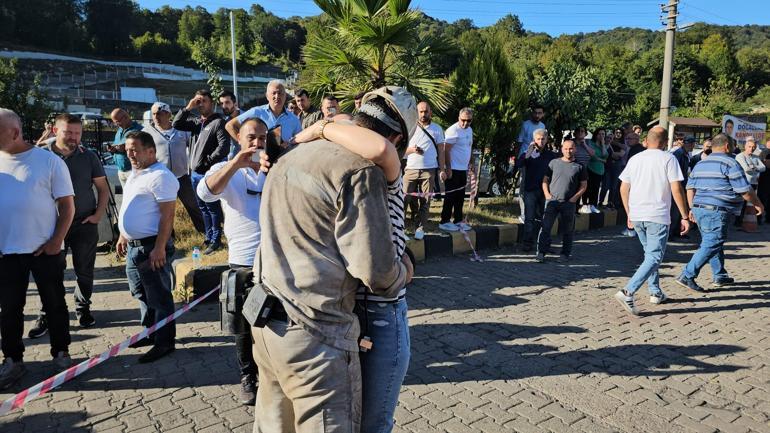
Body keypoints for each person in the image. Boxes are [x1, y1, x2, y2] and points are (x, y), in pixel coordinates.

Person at [249, 87, 415, 433]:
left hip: (267, 321)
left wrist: (320, 127)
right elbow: (376, 271)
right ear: (398, 138)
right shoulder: (359, 170)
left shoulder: (293, 153)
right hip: (315, 335)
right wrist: (405, 271)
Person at [0, 108, 75, 389]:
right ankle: (13, 360)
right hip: (6, 252)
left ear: (15, 132)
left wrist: (57, 241)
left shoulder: (48, 162)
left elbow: (67, 207)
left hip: (45, 249)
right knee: (9, 309)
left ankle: (61, 353)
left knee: (54, 304)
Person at [197, 118, 268, 406]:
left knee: (274, 324)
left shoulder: (273, 167)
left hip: (275, 262)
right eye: (252, 137)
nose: (257, 142)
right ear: (238, 137)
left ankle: (273, 374)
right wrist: (237, 163)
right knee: (243, 328)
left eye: (262, 137)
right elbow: (205, 192)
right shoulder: (225, 170)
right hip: (242, 262)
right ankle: (247, 377)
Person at [28, 113, 109, 340]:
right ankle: (46, 314)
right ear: (55, 131)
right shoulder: (39, 156)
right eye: (68, 132)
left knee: (84, 270)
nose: (74, 137)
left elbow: (102, 189)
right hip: (49, 226)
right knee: (50, 272)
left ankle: (83, 309)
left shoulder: (89, 156)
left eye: (77, 133)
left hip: (83, 223)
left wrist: (97, 216)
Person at [116, 131, 179, 363]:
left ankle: (164, 341)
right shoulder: (137, 173)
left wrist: (160, 248)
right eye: (128, 149)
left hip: (152, 246)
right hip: (134, 247)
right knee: (142, 294)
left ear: (151, 151)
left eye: (135, 149)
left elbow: (167, 216)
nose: (130, 154)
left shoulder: (161, 176)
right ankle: (150, 332)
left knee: (160, 296)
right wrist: (123, 235)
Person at [614, 126, 690, 315]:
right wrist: (685, 215)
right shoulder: (669, 158)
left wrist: (629, 213)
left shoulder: (635, 159)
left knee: (649, 255)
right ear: (665, 143)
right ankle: (628, 291)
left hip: (638, 214)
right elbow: (676, 189)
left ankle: (655, 291)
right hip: (657, 215)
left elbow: (623, 188)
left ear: (646, 141)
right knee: (654, 257)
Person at [676, 134, 765, 292]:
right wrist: (758, 204)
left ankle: (720, 274)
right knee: (713, 242)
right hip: (716, 210)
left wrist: (692, 208)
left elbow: (690, 188)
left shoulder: (701, 164)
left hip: (700, 208)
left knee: (712, 241)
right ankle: (687, 274)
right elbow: (744, 189)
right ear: (727, 146)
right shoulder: (731, 162)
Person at [173, 89, 230, 254]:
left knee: (212, 207)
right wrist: (188, 107)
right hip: (195, 174)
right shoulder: (197, 122)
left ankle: (216, 240)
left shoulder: (218, 122)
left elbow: (223, 147)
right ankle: (208, 237)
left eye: (204, 100)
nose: (201, 104)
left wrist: (207, 162)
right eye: (198, 101)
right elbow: (176, 124)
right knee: (202, 207)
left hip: (208, 173)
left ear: (211, 103)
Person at [143, 102, 205, 235]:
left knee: (193, 205)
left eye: (159, 113)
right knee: (163, 210)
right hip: (161, 179)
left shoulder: (181, 129)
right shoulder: (147, 132)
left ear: (169, 114)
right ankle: (168, 237)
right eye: (153, 114)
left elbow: (195, 146)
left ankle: (205, 232)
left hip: (181, 176)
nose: (156, 117)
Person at [536, 139, 588, 263]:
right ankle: (541, 253)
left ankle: (565, 254)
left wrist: (574, 199)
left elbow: (584, 185)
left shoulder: (580, 166)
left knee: (567, 230)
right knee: (545, 228)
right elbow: (545, 180)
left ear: (575, 149)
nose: (568, 151)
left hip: (568, 203)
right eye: (565, 148)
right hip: (552, 202)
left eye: (571, 148)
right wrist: (547, 194)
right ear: (561, 149)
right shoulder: (554, 163)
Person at [403, 101, 443, 240]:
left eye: (426, 111)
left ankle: (420, 228)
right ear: (417, 112)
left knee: (425, 201)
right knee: (404, 199)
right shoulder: (410, 127)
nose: (423, 114)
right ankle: (400, 229)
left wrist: (442, 169)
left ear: (430, 112)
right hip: (411, 170)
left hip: (429, 170)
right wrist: (412, 150)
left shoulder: (437, 129)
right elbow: (401, 150)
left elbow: (441, 151)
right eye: (421, 111)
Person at [226, 80, 302, 146]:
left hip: (284, 160)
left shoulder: (294, 119)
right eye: (274, 93)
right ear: (267, 96)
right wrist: (244, 144)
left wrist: (289, 145)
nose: (277, 96)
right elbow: (230, 126)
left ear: (285, 96)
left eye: (280, 93)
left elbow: (299, 141)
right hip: (258, 160)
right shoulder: (256, 112)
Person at [515, 128, 555, 252]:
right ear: (534, 140)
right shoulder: (528, 154)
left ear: (547, 139)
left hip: (546, 190)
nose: (541, 141)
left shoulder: (551, 155)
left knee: (545, 218)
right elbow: (519, 164)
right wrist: (528, 152)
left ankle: (544, 244)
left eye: (543, 139)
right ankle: (527, 243)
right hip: (530, 190)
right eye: (538, 139)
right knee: (529, 218)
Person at [439, 108, 474, 232]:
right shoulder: (453, 130)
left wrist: (471, 163)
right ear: (458, 118)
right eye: (463, 120)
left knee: (460, 196)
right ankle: (444, 221)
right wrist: (447, 168)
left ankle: (458, 220)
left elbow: (469, 147)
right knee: (450, 196)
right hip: (453, 168)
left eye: (468, 121)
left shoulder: (469, 130)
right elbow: (445, 150)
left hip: (463, 169)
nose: (465, 123)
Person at [735, 137, 767, 225]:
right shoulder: (740, 156)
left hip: (754, 183)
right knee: (742, 203)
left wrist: (754, 167)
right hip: (743, 183)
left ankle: (756, 220)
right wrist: (756, 168)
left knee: (754, 202)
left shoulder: (755, 157)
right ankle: (738, 221)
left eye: (753, 147)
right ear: (745, 146)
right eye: (749, 146)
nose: (751, 149)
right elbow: (746, 169)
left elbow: (763, 168)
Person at [109, 108, 143, 187]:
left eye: (117, 122)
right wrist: (112, 149)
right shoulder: (120, 130)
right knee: (126, 196)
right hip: (121, 170)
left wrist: (122, 148)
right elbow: (116, 144)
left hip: (133, 170)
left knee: (135, 196)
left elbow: (136, 148)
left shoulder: (138, 129)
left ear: (125, 117)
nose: (117, 124)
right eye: (115, 122)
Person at [599, 127, 626, 209]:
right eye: (616, 132)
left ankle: (610, 202)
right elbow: (612, 155)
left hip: (617, 167)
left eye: (620, 133)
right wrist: (614, 154)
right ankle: (600, 201)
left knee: (614, 186)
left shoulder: (622, 143)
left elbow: (620, 155)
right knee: (605, 186)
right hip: (608, 166)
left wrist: (615, 153)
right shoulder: (608, 143)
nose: (618, 134)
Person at [582, 128, 608, 214]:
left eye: (603, 134)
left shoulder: (603, 145)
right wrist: (602, 160)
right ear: (596, 135)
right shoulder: (591, 143)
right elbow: (592, 156)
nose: (601, 136)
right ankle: (585, 205)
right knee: (588, 187)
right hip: (590, 168)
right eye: (599, 134)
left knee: (596, 188)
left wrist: (603, 144)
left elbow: (605, 155)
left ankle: (593, 205)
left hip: (600, 170)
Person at [219, 90, 242, 159]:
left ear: (235, 103)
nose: (224, 106)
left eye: (227, 102)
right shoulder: (224, 122)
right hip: (236, 158)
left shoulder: (248, 117)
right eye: (221, 103)